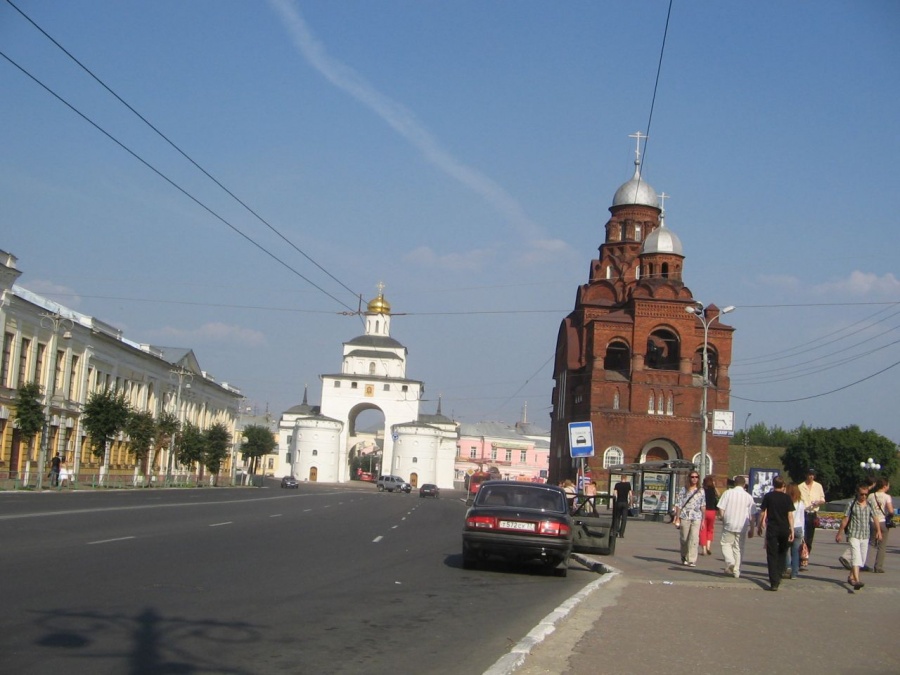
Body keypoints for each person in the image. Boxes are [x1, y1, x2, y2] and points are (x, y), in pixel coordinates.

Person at [836, 481, 881, 590]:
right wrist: (840, 533)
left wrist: (879, 531)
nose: (864, 496)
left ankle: (851, 577)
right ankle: (857, 580)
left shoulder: (870, 504)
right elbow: (845, 519)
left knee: (862, 559)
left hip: (865, 535)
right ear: (857, 493)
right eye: (862, 494)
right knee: (856, 557)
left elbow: (875, 518)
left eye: (866, 494)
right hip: (854, 534)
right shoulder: (851, 504)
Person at [757, 476, 794, 591]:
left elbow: (763, 512)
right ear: (783, 486)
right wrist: (792, 529)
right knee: (782, 552)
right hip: (784, 528)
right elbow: (790, 515)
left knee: (772, 554)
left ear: (773, 485)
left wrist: (759, 526)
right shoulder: (787, 498)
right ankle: (778, 574)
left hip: (772, 528)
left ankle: (774, 582)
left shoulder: (768, 497)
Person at [717, 475, 756, 578]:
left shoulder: (728, 493)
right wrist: (752, 528)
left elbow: (721, 508)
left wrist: (723, 518)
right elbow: (752, 514)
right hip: (742, 525)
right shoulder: (748, 496)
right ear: (744, 485)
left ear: (734, 483)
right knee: (738, 548)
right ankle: (737, 571)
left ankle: (730, 562)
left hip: (729, 523)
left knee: (725, 543)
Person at [673, 471, 705, 567]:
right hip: (685, 516)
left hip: (697, 517)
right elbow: (679, 504)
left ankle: (691, 559)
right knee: (684, 538)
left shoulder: (701, 490)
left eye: (696, 477)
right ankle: (684, 556)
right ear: (689, 478)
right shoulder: (684, 490)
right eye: (692, 477)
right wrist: (677, 518)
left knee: (694, 538)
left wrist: (703, 520)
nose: (694, 479)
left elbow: (703, 505)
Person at [798, 468, 825, 562]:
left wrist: (818, 502)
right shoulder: (800, 486)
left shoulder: (818, 486)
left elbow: (823, 499)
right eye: (810, 474)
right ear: (806, 475)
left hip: (813, 513)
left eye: (813, 475)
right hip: (803, 513)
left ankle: (806, 556)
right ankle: (800, 557)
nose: (811, 477)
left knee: (809, 538)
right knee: (802, 536)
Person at [867, 479, 892, 574]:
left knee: (871, 543)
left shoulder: (870, 496)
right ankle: (878, 567)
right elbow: (890, 511)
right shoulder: (887, 497)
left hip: (872, 521)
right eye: (888, 485)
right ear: (885, 486)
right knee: (882, 546)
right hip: (882, 521)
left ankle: (866, 564)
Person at [784, 483, 806, 579]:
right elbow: (802, 518)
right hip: (798, 528)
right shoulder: (801, 503)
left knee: (785, 550)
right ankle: (794, 573)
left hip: (788, 527)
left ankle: (787, 566)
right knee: (796, 552)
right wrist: (803, 533)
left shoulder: (786, 501)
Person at [698, 475, 719, 556]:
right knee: (710, 529)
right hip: (712, 512)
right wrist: (714, 485)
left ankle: (704, 549)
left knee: (702, 530)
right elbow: (718, 494)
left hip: (703, 511)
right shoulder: (713, 490)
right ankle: (708, 547)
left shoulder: (702, 490)